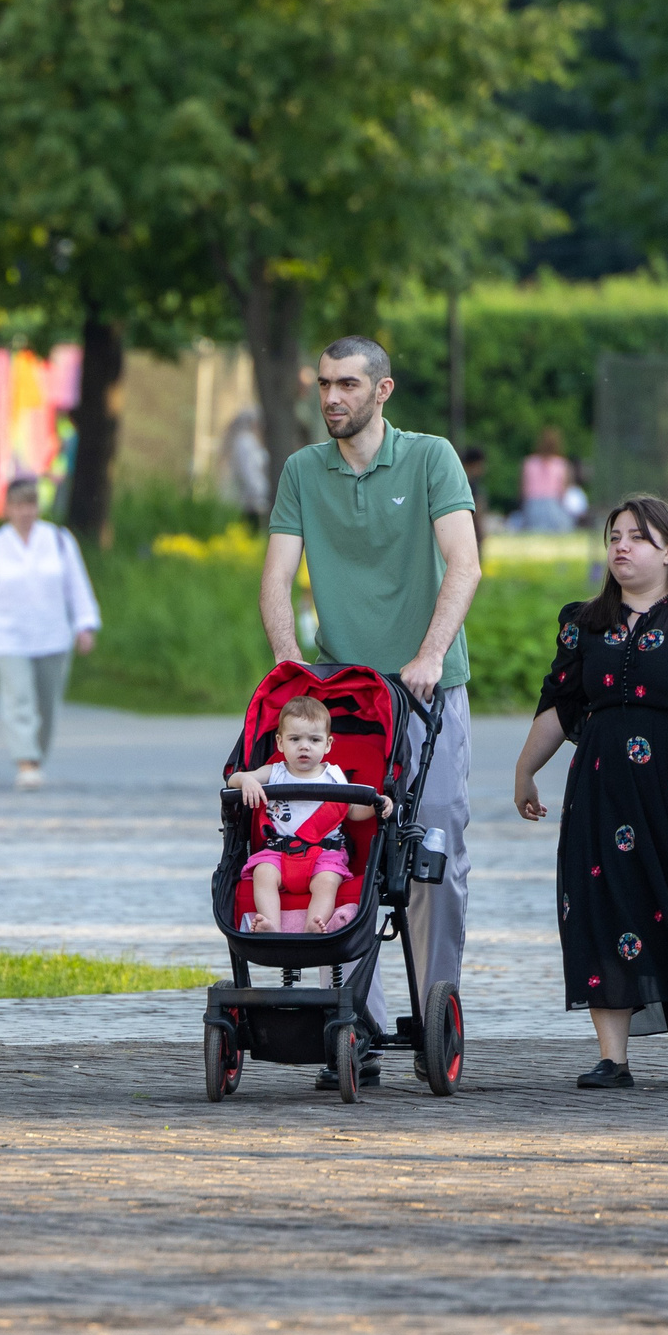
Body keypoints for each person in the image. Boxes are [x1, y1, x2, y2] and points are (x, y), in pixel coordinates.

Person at [260, 335, 480, 1089]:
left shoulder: (430, 458)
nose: (332, 397)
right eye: (324, 383)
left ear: (382, 390)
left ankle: (435, 1011)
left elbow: (465, 563)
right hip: (346, 697)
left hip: (426, 691)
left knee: (432, 848)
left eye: (348, 384)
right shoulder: (302, 471)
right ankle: (360, 1021)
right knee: (347, 845)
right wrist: (290, 664)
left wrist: (430, 653)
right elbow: (277, 577)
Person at [513, 496, 668, 1089]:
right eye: (614, 536)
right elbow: (561, 701)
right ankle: (613, 1058)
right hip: (602, 789)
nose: (622, 546)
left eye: (638, 537)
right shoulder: (584, 621)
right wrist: (525, 770)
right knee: (604, 905)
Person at [0, 475, 101, 791]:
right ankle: (26, 761)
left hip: (52, 636)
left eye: (31, 504)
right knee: (18, 698)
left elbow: (77, 585)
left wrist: (85, 624)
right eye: (19, 505)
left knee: (46, 706)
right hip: (6, 637)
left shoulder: (59, 541)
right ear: (8, 508)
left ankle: (36, 755)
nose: (26, 511)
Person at [226, 695, 390, 933]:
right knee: (263, 874)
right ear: (280, 743)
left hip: (325, 853)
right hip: (278, 851)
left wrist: (378, 805)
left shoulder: (334, 776)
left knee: (327, 882)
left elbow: (352, 811)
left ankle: (315, 924)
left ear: (328, 744)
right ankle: (270, 924)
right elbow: (232, 779)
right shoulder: (275, 772)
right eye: (295, 739)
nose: (304, 746)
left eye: (314, 740)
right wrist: (246, 780)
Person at [519, 427, 575, 532]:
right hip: (553, 506)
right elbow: (563, 492)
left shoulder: (529, 463)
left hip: (532, 506)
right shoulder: (561, 464)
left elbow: (523, 491)